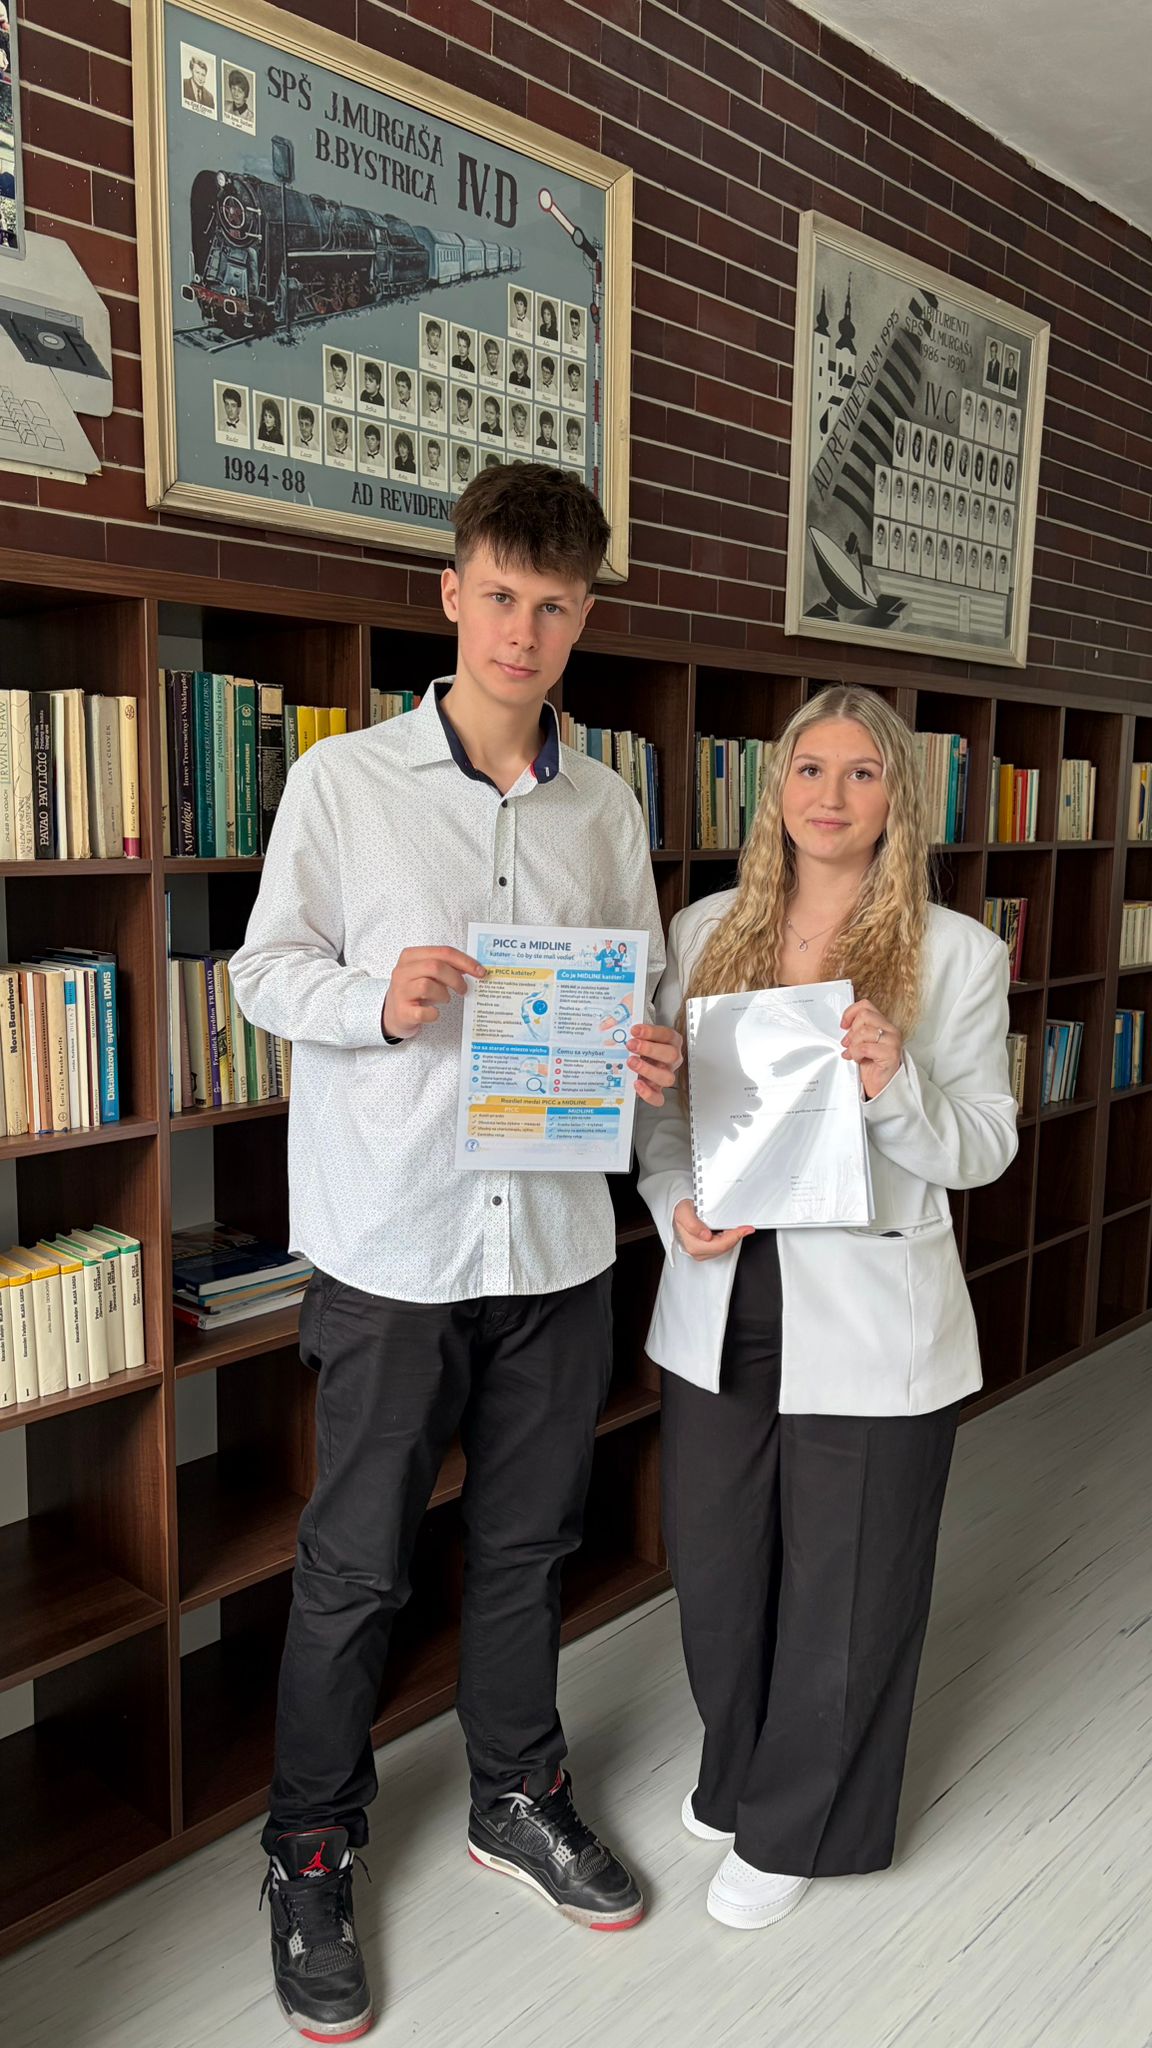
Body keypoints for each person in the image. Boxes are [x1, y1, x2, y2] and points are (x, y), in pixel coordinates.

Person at [231, 466, 683, 2041]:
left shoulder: (606, 804)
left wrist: (649, 1050)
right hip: (394, 1246)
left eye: (555, 606)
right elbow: (261, 972)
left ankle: (516, 1791)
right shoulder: (344, 783)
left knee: (528, 1547)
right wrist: (375, 1000)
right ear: (451, 593)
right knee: (357, 1564)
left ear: (585, 618)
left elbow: (637, 988)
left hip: (555, 1244)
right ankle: (308, 1846)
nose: (523, 630)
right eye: (500, 595)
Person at [634, 686, 1016, 1933]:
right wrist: (675, 1208)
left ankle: (799, 1824)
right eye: (810, 768)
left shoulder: (956, 953)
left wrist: (896, 1082)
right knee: (717, 1559)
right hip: (724, 1293)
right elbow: (666, 1123)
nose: (832, 794)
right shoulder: (703, 929)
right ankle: (739, 1766)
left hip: (868, 1308)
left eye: (862, 772)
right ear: (777, 789)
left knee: (847, 1579)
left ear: (898, 796)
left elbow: (985, 1146)